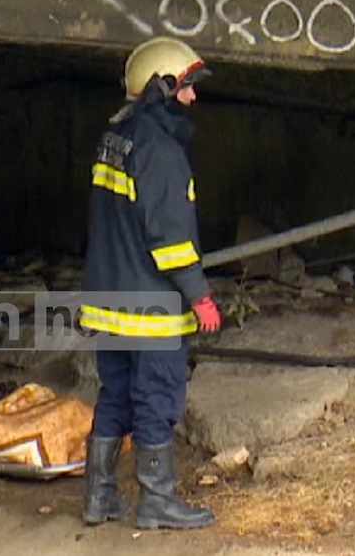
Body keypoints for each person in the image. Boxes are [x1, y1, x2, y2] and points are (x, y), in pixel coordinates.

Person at [79, 36, 221, 530]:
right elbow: (170, 238)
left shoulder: (114, 137)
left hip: (110, 299)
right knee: (157, 397)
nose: (192, 98)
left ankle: (99, 498)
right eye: (185, 88)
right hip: (151, 305)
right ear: (161, 88)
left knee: (115, 394)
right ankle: (157, 501)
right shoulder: (161, 151)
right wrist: (199, 295)